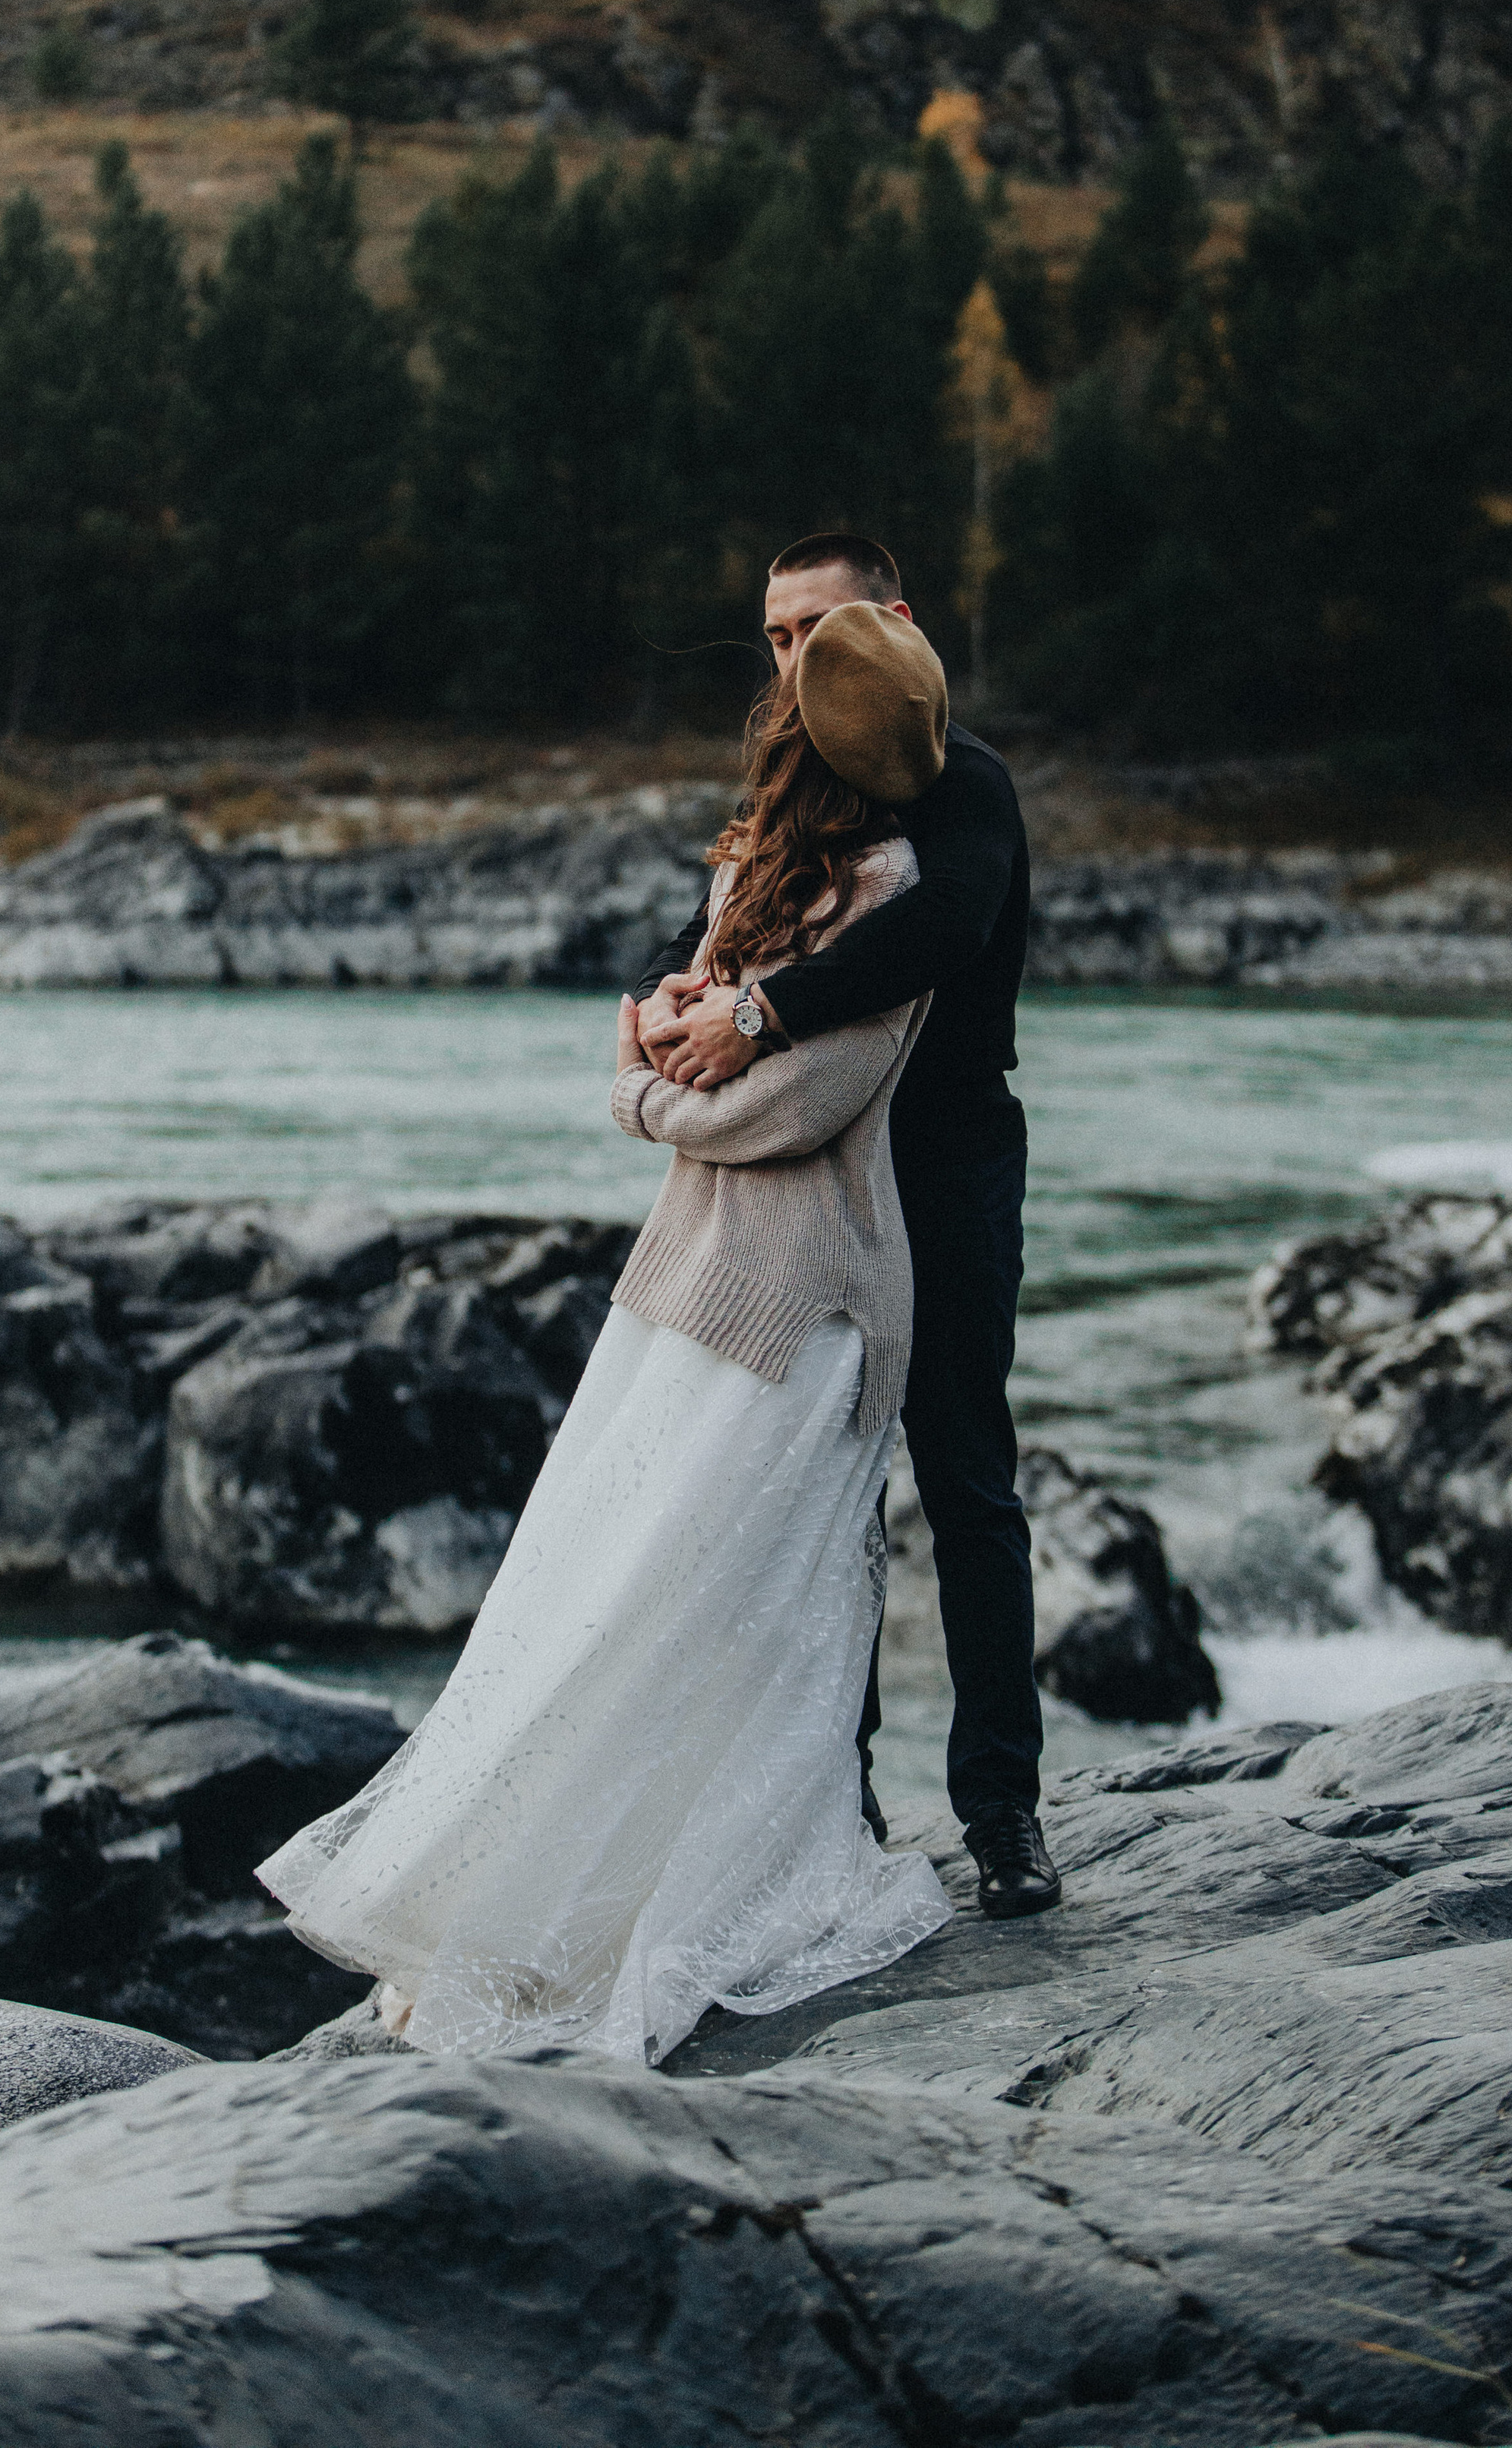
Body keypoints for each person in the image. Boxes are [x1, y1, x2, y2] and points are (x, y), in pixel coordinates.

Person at [256, 607, 955, 2064]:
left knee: (734, 1616)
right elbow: (687, 1034)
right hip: (689, 1285)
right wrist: (669, 1054)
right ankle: (518, 1909)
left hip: (806, 1301)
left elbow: (784, 1110)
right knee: (614, 1597)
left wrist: (641, 1095)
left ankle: (662, 1906)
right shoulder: (756, 872)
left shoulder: (896, 887)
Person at [634, 532, 1060, 1922]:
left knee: (967, 1483)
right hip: (811, 1179)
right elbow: (738, 932)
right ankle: (840, 1808)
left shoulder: (965, 782)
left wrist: (760, 1018)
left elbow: (942, 930)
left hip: (944, 1171)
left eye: (817, 629)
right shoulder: (789, 790)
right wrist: (684, 1000)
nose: (793, 661)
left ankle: (1004, 1818)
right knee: (819, 1495)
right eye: (772, 636)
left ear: (894, 622)